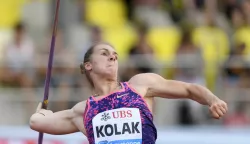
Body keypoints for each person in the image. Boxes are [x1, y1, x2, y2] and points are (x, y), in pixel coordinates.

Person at [30, 43, 228, 144]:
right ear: (88, 65)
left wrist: (212, 99)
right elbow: (36, 122)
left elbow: (188, 89)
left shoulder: (139, 86)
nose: (112, 56)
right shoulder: (84, 110)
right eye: (105, 53)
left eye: (115, 55)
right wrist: (42, 111)